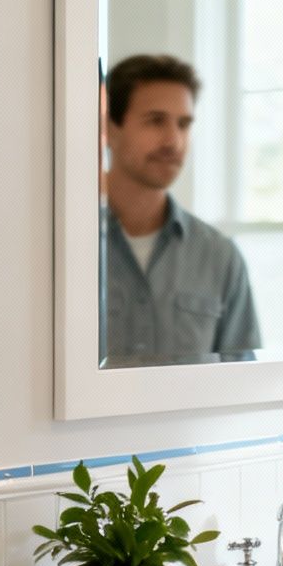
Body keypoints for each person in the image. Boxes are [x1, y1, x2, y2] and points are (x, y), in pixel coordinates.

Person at [101, 53, 261, 365]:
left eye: (184, 124)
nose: (174, 141)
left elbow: (241, 386)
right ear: (110, 127)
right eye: (155, 121)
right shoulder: (61, 246)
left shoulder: (220, 257)